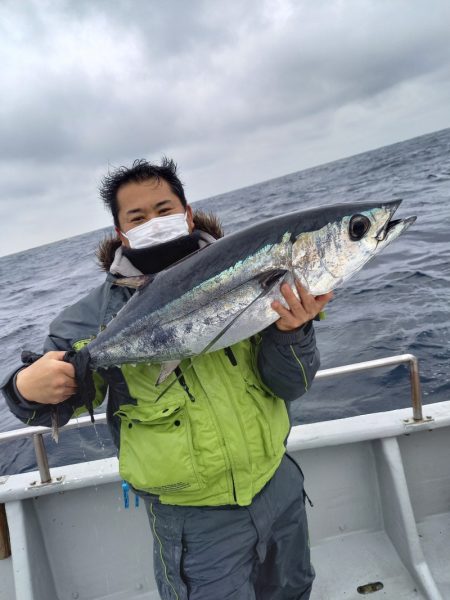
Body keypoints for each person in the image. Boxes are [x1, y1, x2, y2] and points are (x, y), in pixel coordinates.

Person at [2, 158, 332, 600]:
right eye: (137, 217)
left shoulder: (252, 267)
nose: (154, 222)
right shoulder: (95, 316)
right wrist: (24, 388)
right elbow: (53, 388)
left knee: (294, 589)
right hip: (194, 518)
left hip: (279, 482)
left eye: (164, 209)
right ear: (121, 233)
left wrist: (294, 330)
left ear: (187, 213)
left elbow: (291, 385)